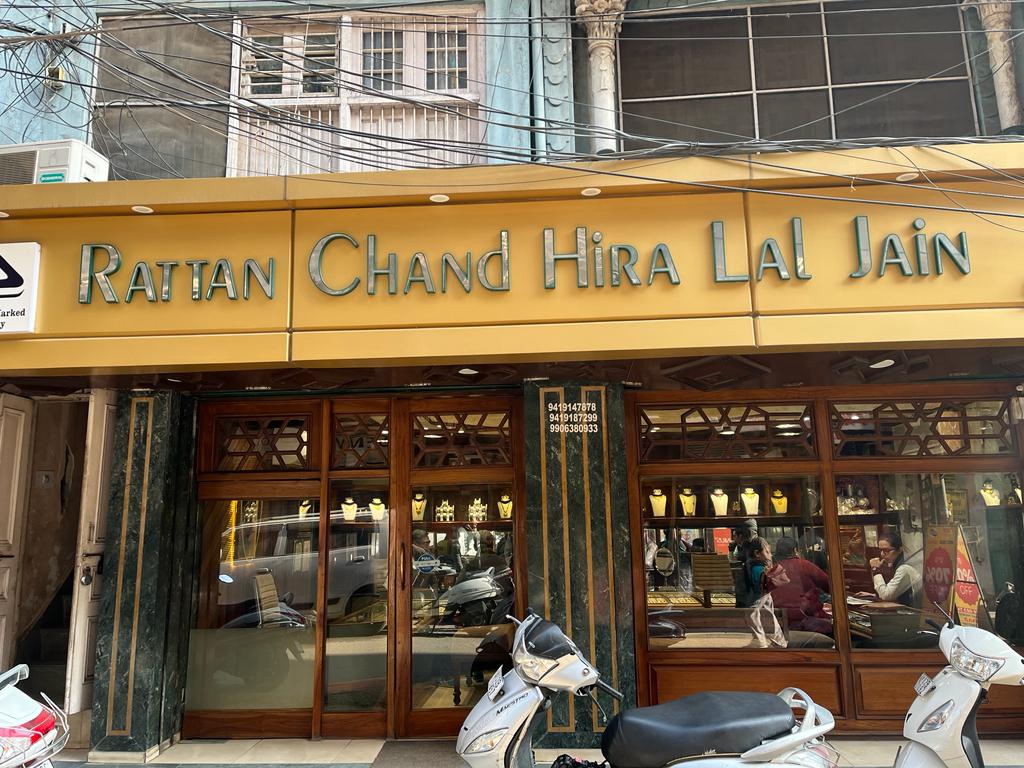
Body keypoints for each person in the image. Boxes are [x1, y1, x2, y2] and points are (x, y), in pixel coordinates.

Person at [768, 537, 832, 635]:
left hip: (779, 626)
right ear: (795, 550)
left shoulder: (772, 570)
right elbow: (830, 586)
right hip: (807, 623)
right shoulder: (804, 565)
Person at [870, 531, 921, 607]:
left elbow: (886, 595)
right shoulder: (897, 563)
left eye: (887, 550)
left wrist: (876, 570)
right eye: (881, 550)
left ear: (899, 549)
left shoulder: (904, 568)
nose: (882, 554)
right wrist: (873, 595)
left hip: (913, 610)